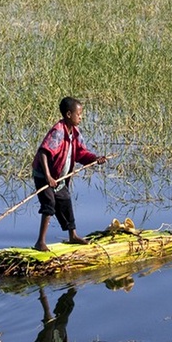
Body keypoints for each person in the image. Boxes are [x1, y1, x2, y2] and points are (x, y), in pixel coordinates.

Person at [32, 96, 106, 251]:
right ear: (68, 115)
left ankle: (72, 235)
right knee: (49, 204)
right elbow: (44, 153)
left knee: (65, 200)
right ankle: (40, 242)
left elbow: (81, 153)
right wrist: (48, 177)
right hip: (43, 175)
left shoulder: (75, 133)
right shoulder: (58, 132)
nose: (81, 117)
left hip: (59, 178)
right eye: (78, 114)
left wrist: (95, 158)